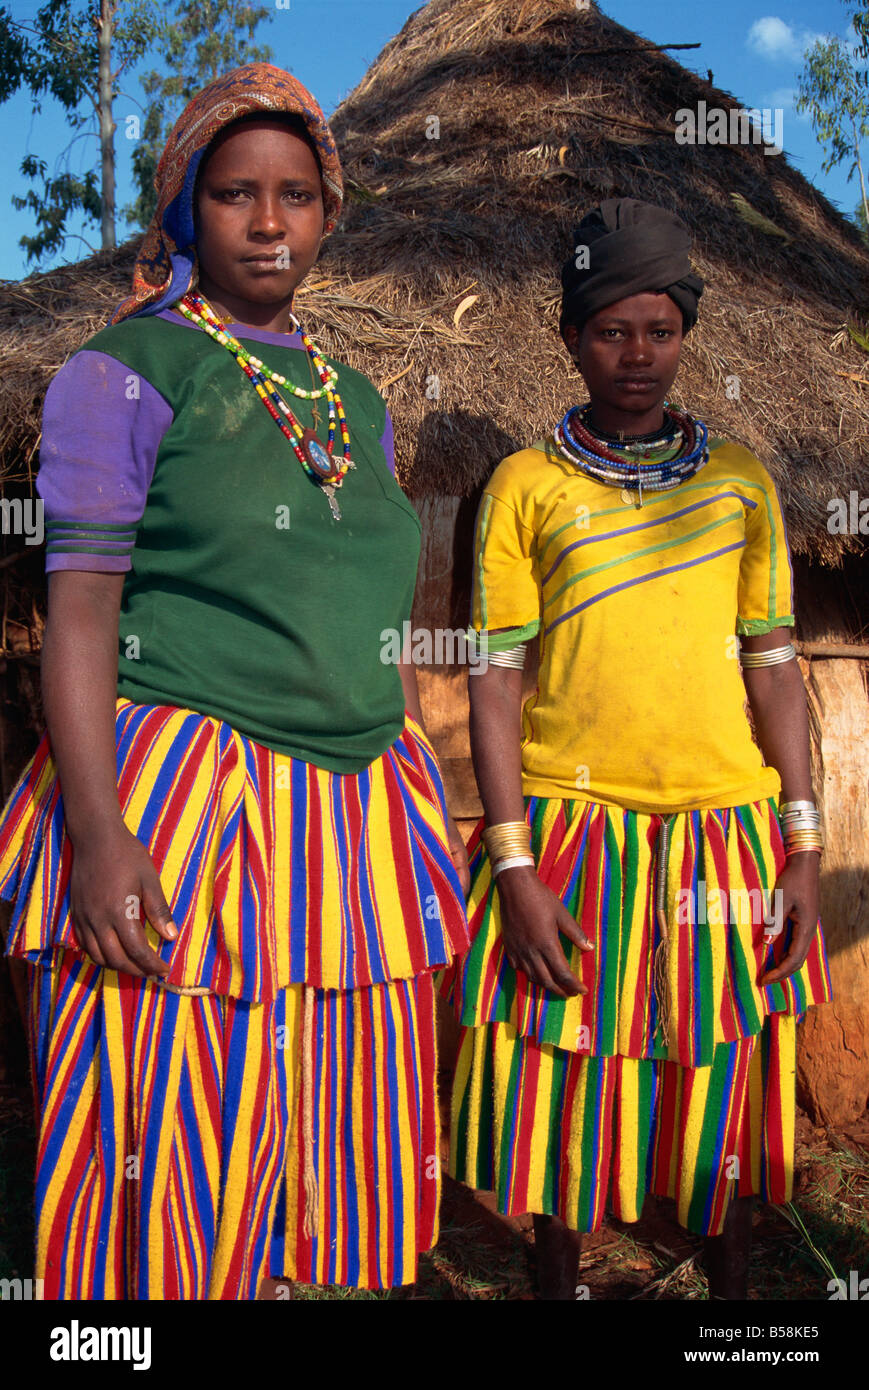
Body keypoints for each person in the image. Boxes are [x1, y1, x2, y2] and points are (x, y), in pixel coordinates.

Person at [0, 63, 471, 1300]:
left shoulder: (355, 399)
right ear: (182, 211)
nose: (269, 223)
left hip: (353, 808)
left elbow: (361, 607)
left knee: (311, 1150)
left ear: (328, 210)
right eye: (234, 194)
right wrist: (96, 836)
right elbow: (82, 615)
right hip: (189, 810)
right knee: (156, 1155)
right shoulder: (124, 372)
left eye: (297, 196)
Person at [443, 199, 831, 1300]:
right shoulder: (526, 487)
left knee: (723, 1067)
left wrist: (802, 842)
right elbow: (496, 677)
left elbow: (770, 664)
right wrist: (513, 866)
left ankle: (734, 1297)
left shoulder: (739, 484)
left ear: (685, 335)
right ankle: (555, 1274)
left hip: (725, 833)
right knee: (567, 1073)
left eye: (658, 329)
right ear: (568, 336)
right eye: (610, 329)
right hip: (573, 826)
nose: (636, 353)